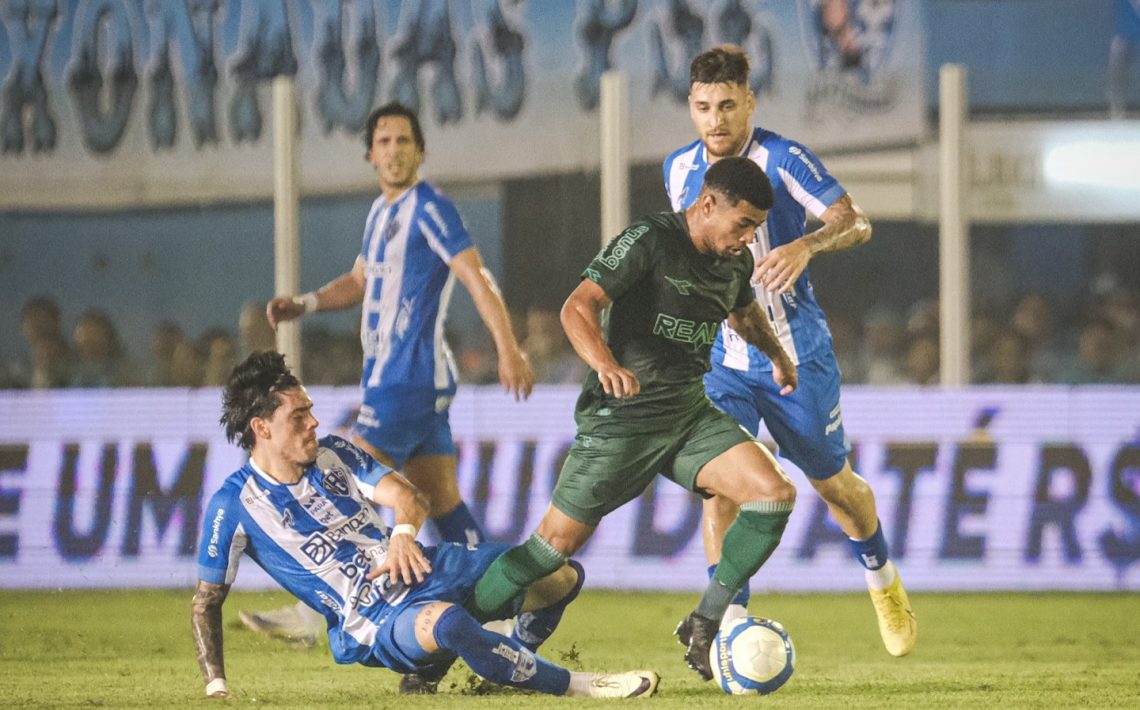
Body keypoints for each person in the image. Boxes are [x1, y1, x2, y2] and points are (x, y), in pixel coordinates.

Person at [464, 157, 799, 682]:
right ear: (708, 204)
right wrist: (605, 364)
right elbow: (578, 306)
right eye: (744, 224)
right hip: (621, 420)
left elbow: (745, 312)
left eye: (756, 227)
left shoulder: (732, 263)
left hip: (688, 415)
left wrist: (778, 356)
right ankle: (447, 635)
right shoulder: (649, 239)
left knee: (772, 493)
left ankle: (705, 621)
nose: (750, 239)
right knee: (550, 550)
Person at [251, 103, 535, 680]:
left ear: (419, 151)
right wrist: (302, 305)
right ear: (370, 153)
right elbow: (359, 282)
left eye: (404, 139)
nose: (394, 149)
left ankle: (316, 615)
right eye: (384, 140)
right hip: (406, 382)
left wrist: (508, 347)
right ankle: (506, 609)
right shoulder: (382, 213)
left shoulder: (431, 207)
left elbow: (475, 276)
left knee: (338, 480)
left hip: (405, 381)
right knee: (443, 499)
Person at [191, 351, 658, 700]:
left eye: (310, 410)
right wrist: (216, 685)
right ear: (262, 428)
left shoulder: (335, 452)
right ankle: (578, 685)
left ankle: (511, 667)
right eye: (299, 416)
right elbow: (206, 602)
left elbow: (408, 496)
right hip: (373, 617)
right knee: (449, 623)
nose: (314, 422)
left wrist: (402, 535)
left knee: (560, 576)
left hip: (422, 567)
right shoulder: (233, 505)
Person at [662, 45, 916, 656]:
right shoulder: (676, 169)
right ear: (690, 108)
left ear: (750, 101)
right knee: (721, 487)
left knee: (837, 489)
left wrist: (807, 246)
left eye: (728, 104)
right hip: (724, 358)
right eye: (703, 107)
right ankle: (726, 625)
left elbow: (855, 222)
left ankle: (882, 579)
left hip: (797, 355)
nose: (716, 119)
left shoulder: (782, 157)